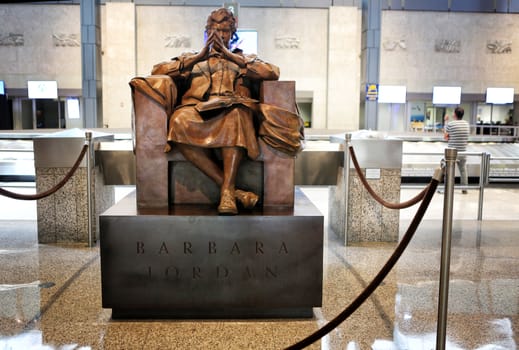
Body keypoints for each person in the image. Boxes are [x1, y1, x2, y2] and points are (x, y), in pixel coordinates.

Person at [151, 8, 304, 215]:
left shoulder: (244, 59)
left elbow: (272, 72)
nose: (219, 35)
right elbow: (157, 71)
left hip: (232, 106)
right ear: (207, 32)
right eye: (214, 29)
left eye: (224, 30)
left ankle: (227, 194)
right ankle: (232, 191)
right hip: (197, 109)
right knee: (179, 121)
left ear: (232, 33)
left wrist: (231, 57)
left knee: (235, 116)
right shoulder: (193, 58)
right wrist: (198, 57)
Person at [443, 106, 470, 194]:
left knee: (449, 170)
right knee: (463, 170)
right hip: (463, 151)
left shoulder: (451, 124)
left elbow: (446, 137)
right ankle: (464, 189)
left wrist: (445, 121)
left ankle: (448, 189)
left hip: (452, 152)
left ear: (454, 114)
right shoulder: (466, 124)